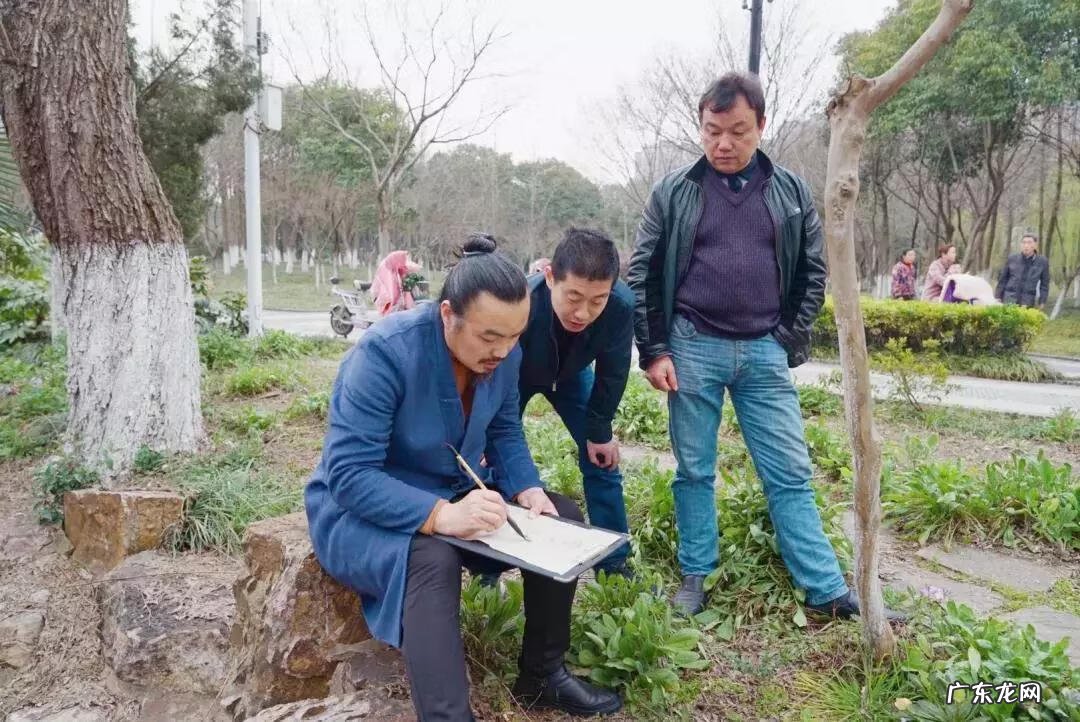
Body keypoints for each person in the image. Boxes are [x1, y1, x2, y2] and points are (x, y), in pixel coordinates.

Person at [304, 234, 622, 721]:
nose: (503, 351)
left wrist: (527, 487)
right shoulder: (385, 354)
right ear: (448, 314)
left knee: (561, 517)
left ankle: (542, 676)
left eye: (514, 337)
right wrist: (440, 516)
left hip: (452, 489)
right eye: (489, 338)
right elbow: (349, 475)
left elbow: (504, 427)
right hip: (361, 510)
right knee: (432, 556)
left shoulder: (506, 352)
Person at [627, 71, 904, 623]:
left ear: (761, 126)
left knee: (789, 473)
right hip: (692, 346)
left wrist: (784, 340)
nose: (723, 144)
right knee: (694, 470)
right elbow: (643, 273)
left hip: (763, 352)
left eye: (737, 132)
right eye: (712, 132)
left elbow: (812, 273)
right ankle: (696, 574)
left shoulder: (790, 192)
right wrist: (654, 350)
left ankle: (825, 589)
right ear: (701, 128)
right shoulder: (673, 192)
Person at [518, 228, 633, 574]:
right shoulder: (522, 301)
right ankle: (489, 567)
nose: (583, 313)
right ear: (550, 276)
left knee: (602, 457)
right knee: (490, 455)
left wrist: (600, 430)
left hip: (571, 375)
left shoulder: (620, 306)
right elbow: (494, 372)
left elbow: (613, 371)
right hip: (517, 375)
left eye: (597, 301)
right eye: (574, 297)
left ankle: (614, 564)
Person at [996, 234, 1050, 309]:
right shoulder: (1012, 258)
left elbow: (1044, 285)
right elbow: (1003, 279)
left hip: (1027, 301)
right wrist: (998, 296)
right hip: (1009, 298)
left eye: (1029, 242)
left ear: (1035, 245)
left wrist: (1042, 302)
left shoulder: (1042, 262)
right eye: (1024, 242)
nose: (1026, 245)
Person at [370, 250, 422, 316]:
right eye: (403, 259)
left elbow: (408, 266)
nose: (403, 261)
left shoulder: (393, 267)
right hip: (388, 300)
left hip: (392, 300)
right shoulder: (388, 273)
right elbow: (391, 292)